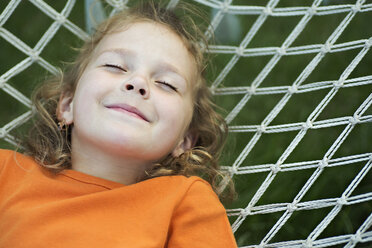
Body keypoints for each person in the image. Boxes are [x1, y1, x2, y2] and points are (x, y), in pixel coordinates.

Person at [0, 0, 238, 247]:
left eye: (166, 84)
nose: (137, 83)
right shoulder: (7, 173)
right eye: (115, 66)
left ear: (185, 140)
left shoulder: (183, 200)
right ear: (68, 105)